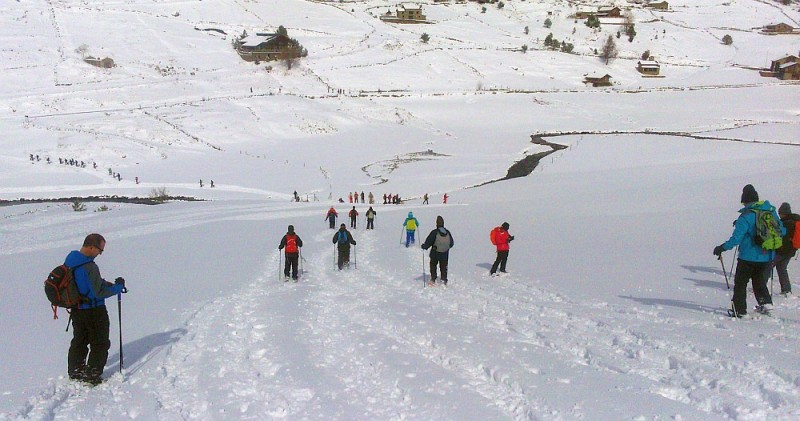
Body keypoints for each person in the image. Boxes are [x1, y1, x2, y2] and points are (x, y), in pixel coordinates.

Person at [713, 184, 784, 317]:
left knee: (740, 283)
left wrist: (722, 248)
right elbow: (782, 231)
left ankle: (739, 310)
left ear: (744, 201)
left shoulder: (745, 216)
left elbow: (736, 239)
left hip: (747, 257)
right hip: (767, 256)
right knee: (759, 281)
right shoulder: (770, 212)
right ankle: (766, 304)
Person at [65, 234, 126, 385]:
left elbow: (86, 284)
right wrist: (118, 288)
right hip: (94, 310)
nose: (100, 253)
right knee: (100, 342)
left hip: (76, 309)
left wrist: (105, 284)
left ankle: (75, 370)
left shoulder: (71, 260)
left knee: (79, 339)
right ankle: (92, 374)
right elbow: (98, 292)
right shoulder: (90, 266)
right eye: (100, 250)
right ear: (91, 247)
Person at [422, 216, 454, 286]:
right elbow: (451, 243)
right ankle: (444, 279)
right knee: (443, 266)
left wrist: (424, 246)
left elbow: (428, 242)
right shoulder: (447, 232)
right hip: (445, 253)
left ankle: (433, 278)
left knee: (433, 265)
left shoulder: (434, 232)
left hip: (435, 252)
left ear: (437, 224)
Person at [774, 202, 798, 296]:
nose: (779, 215)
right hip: (791, 251)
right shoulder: (795, 221)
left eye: (780, 213)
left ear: (784, 213)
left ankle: (760, 287)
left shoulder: (786, 223)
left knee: (767, 267)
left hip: (782, 250)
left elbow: (782, 238)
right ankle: (786, 289)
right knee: (781, 268)